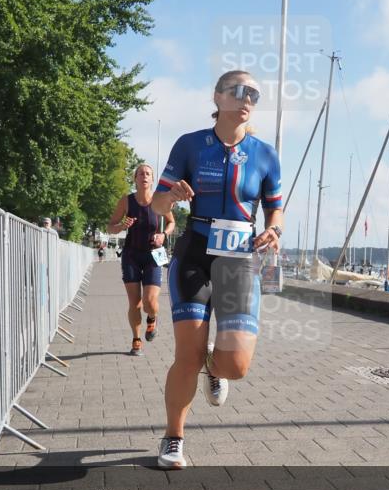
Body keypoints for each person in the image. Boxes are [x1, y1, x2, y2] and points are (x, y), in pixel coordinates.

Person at [150, 70, 283, 469]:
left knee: (236, 366)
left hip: (239, 262)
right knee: (185, 356)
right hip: (194, 256)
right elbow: (157, 206)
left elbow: (275, 207)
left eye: (254, 94)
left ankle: (215, 366)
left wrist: (274, 230)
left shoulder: (265, 153)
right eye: (239, 91)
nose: (247, 99)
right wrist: (170, 197)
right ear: (218, 97)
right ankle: (173, 438)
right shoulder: (191, 145)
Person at [108, 164, 175, 356]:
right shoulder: (126, 201)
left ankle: (152, 318)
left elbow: (171, 222)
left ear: (152, 180)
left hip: (154, 255)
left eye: (148, 174)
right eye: (140, 174)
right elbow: (110, 227)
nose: (144, 176)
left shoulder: (159, 200)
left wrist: (164, 235)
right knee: (135, 302)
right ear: (135, 178)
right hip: (131, 255)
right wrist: (121, 225)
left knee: (150, 302)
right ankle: (136, 339)